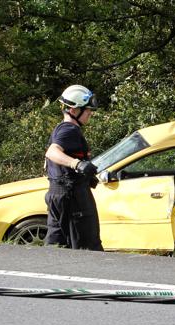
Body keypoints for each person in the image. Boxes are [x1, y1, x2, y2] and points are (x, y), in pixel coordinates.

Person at [44, 84, 103, 250]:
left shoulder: (61, 129)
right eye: (87, 110)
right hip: (72, 196)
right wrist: (77, 164)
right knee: (87, 248)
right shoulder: (69, 130)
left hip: (58, 193)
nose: (90, 114)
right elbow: (52, 152)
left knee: (56, 246)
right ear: (74, 110)